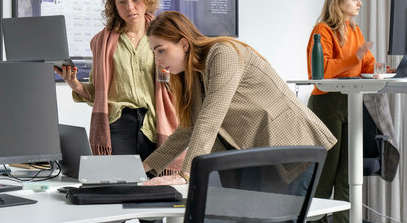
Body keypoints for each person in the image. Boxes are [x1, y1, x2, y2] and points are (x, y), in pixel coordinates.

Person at [55, 0, 179, 223]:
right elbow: (97, 91)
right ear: (114, 4)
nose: (130, 6)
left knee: (152, 215)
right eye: (121, 1)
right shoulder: (103, 41)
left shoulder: (165, 35)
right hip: (117, 127)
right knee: (111, 215)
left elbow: (183, 81)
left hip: (157, 127)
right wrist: (75, 86)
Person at [142, 10, 336, 185]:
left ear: (183, 44)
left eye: (161, 50)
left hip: (288, 146)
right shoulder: (192, 75)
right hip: (254, 156)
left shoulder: (222, 54)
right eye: (154, 52)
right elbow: (189, 128)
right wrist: (146, 168)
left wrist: (186, 173)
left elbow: (210, 117)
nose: (157, 59)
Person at [306, 0, 376, 223]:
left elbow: (365, 62)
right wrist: (355, 58)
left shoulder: (355, 30)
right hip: (327, 103)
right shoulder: (322, 31)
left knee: (349, 175)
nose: (359, 3)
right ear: (339, 2)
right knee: (328, 174)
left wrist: (377, 66)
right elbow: (320, 72)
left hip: (351, 101)